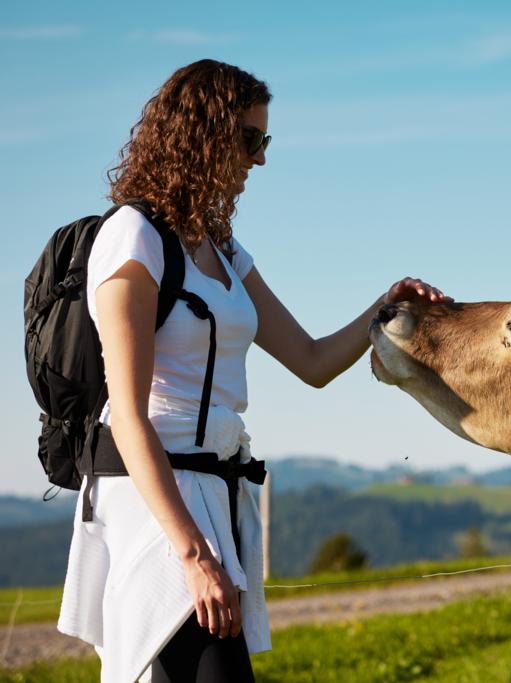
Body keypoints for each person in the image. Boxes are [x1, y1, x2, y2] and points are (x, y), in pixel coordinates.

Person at [56, 59, 449, 683]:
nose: (259, 159)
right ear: (203, 134)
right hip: (157, 505)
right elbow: (129, 417)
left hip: (215, 493)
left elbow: (313, 361)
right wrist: (191, 552)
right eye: (250, 139)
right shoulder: (132, 237)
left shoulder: (222, 248)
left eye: (264, 141)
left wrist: (384, 309)